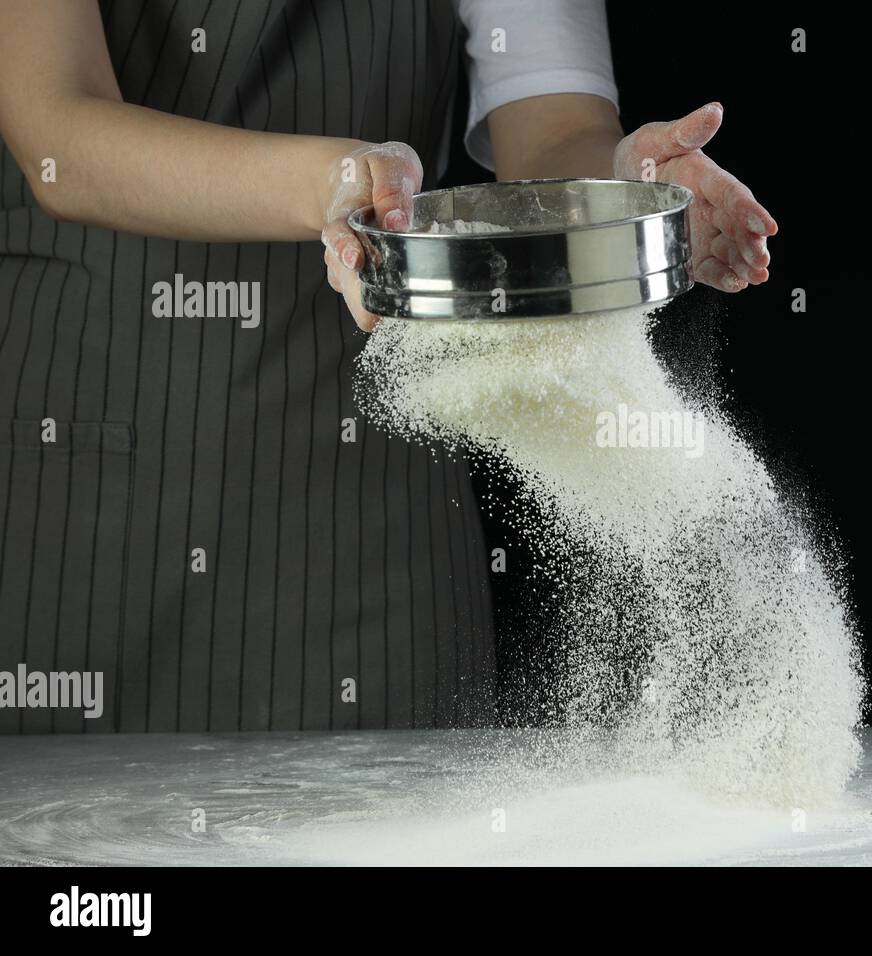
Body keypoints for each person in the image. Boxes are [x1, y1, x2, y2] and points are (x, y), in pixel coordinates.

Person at [0, 0, 777, 734]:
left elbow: (550, 135)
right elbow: (57, 137)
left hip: (371, 521)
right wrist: (334, 183)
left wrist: (622, 192)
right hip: (94, 482)